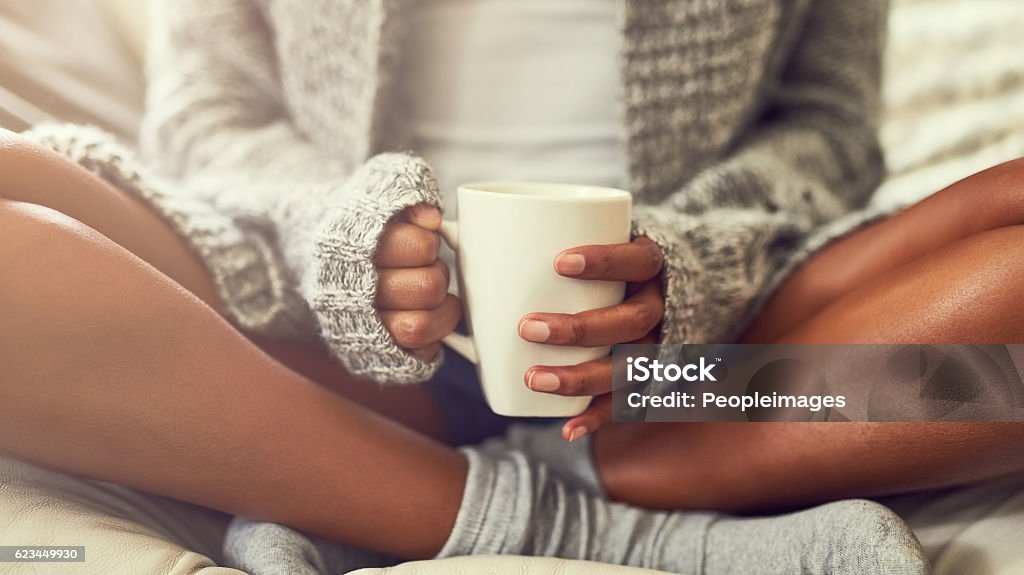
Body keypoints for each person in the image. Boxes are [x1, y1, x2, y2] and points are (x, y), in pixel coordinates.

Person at [3, 0, 1024, 573]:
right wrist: (347, 239)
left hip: (694, 370)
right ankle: (550, 518)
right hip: (312, 316)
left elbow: (829, 133)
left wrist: (685, 268)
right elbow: (203, 118)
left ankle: (349, 477)